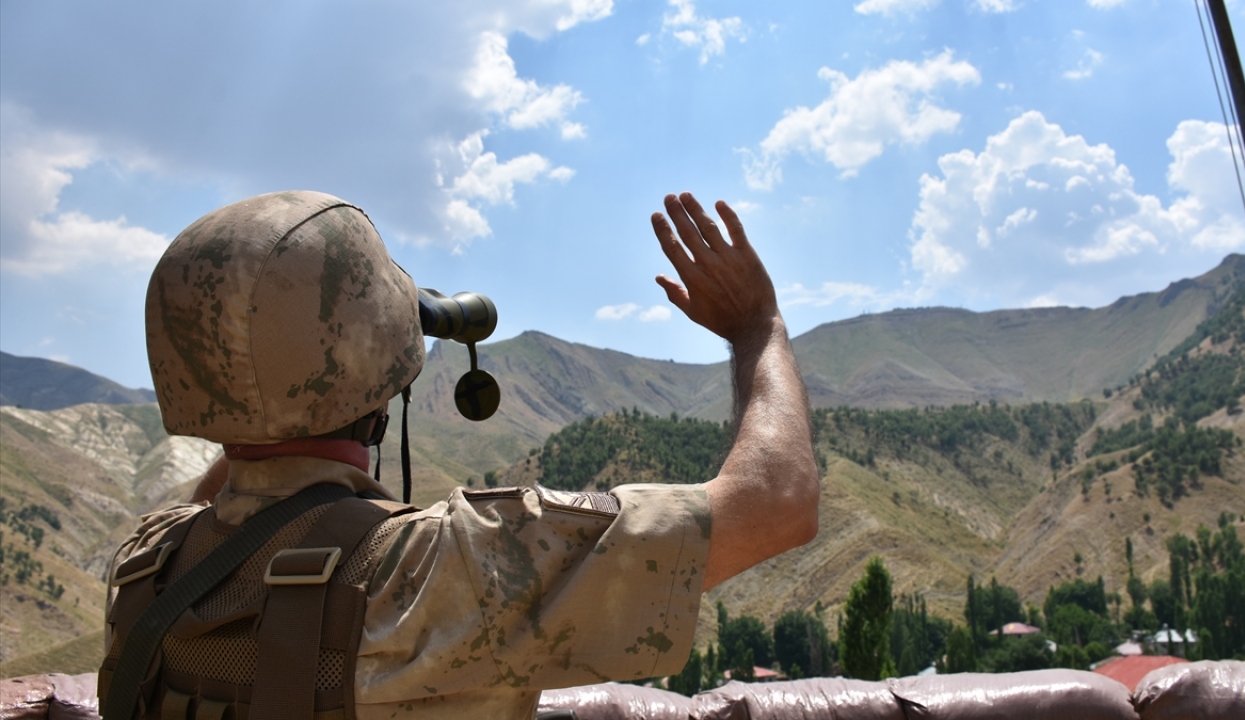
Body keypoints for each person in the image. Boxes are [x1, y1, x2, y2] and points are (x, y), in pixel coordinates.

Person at [100, 190, 818, 720]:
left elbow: (241, 477)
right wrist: (759, 324)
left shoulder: (146, 569)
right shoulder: (445, 570)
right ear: (380, 374)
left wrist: (312, 348)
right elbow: (777, 502)